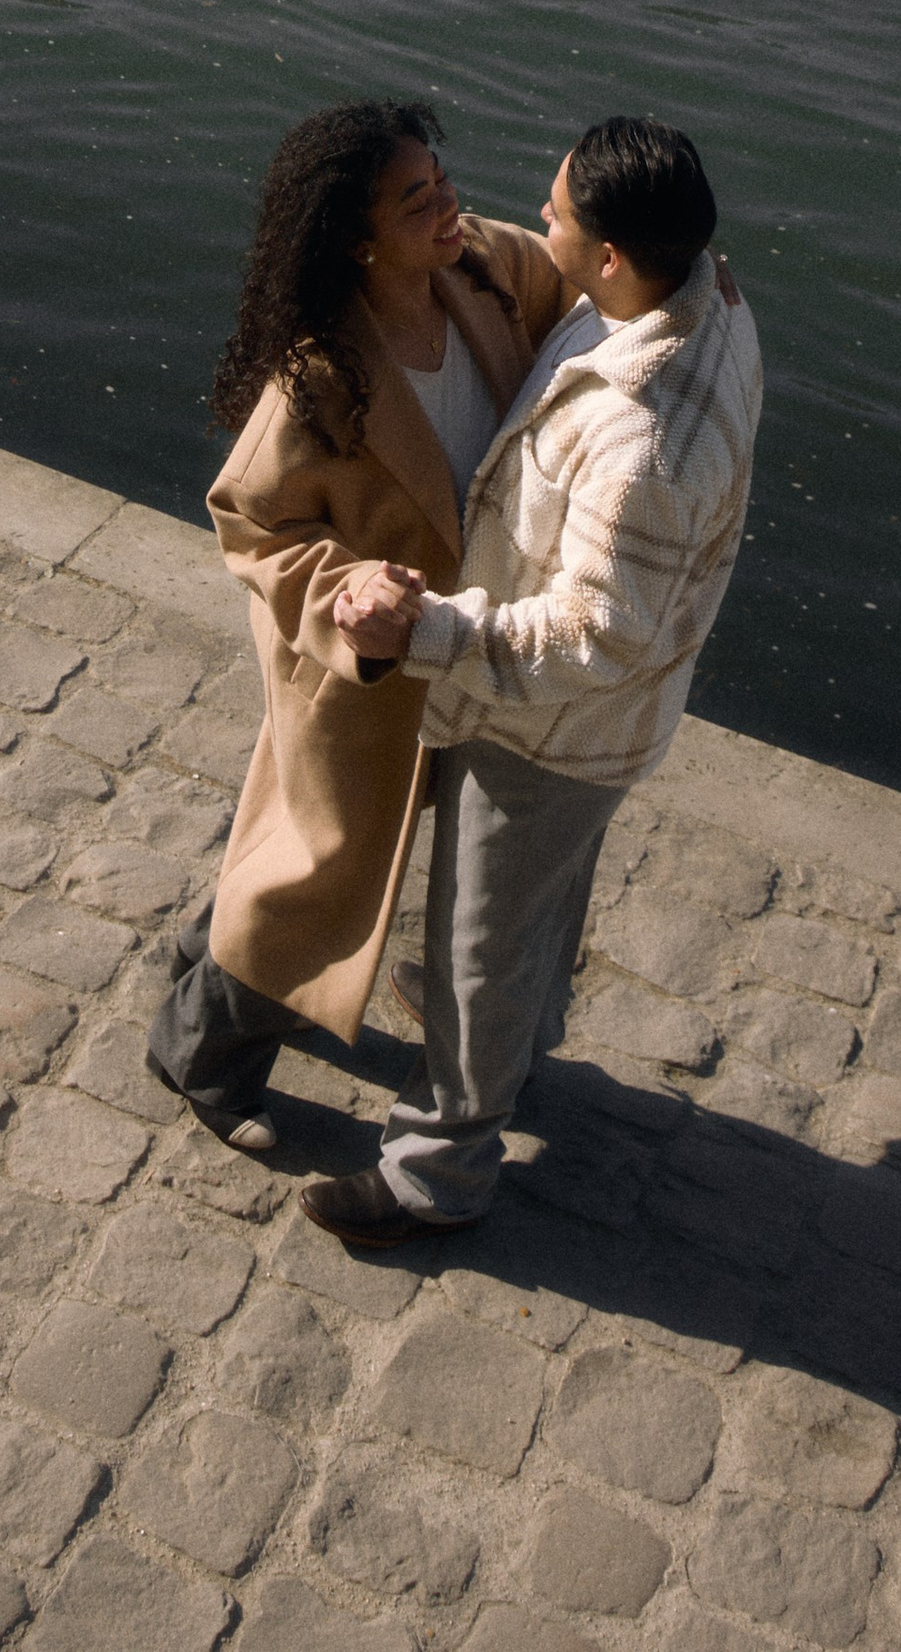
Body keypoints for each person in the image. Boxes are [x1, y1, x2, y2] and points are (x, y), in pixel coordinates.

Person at [298, 115, 762, 1242]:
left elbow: (595, 636)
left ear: (609, 256)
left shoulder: (640, 439)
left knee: (478, 946)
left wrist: (428, 635)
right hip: (609, 727)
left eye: (553, 215)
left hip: (550, 728)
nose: (533, 219)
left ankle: (436, 1170)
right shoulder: (705, 293)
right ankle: (527, 1038)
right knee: (538, 907)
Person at [145, 96, 565, 1150]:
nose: (447, 204)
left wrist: (688, 289)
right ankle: (200, 1058)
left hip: (463, 646)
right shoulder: (322, 377)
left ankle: (203, 958)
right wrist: (347, 593)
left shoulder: (482, 273)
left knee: (295, 857)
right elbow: (251, 523)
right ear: (357, 235)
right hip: (361, 671)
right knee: (318, 878)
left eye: (442, 181)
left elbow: (592, 277)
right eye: (415, 199)